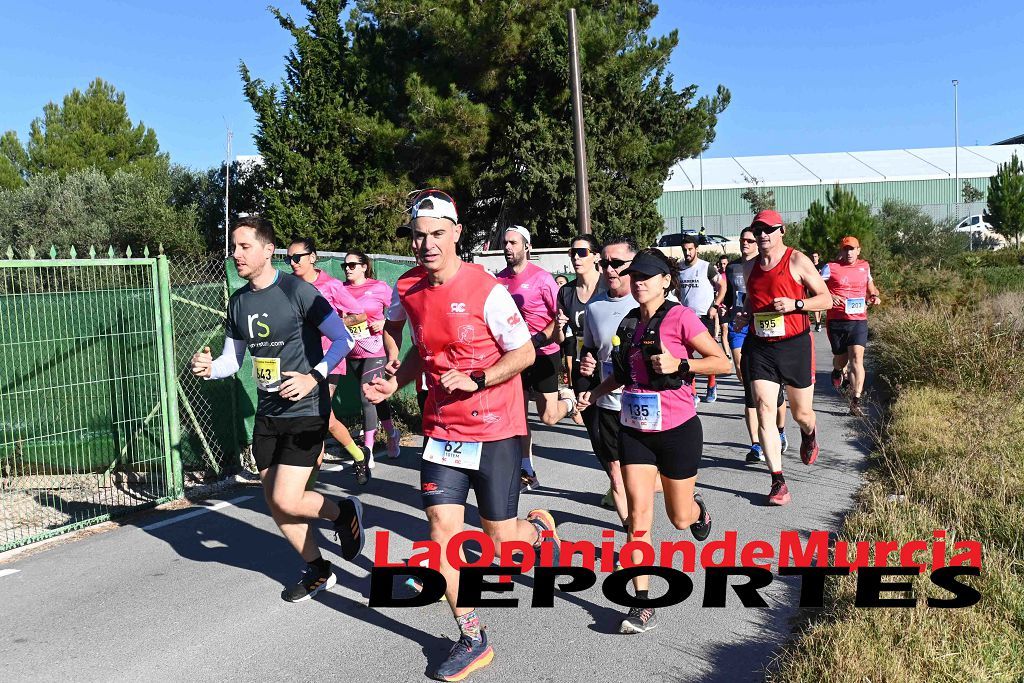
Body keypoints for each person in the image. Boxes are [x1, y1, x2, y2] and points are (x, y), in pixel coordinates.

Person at [365, 190, 560, 681]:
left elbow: (524, 354)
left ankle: (537, 531)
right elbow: (419, 352)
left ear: (455, 234)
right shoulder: (406, 288)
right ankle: (472, 636)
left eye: (436, 234)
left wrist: (477, 378)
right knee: (441, 535)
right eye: (418, 235)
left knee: (499, 541)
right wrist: (396, 380)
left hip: (495, 427)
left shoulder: (486, 288)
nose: (427, 244)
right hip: (442, 430)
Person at [191, 216, 364, 602]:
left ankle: (342, 512)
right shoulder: (238, 302)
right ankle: (319, 569)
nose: (235, 254)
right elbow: (232, 361)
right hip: (269, 413)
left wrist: (312, 377)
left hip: (306, 408)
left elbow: (342, 339)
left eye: (244, 246)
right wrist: (209, 368)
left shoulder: (298, 291)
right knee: (274, 500)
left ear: (268, 250)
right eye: (233, 248)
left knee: (287, 498)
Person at [578, 249, 731, 634]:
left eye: (648, 275)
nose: (639, 281)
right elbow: (622, 375)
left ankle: (699, 511)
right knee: (637, 519)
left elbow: (722, 362)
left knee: (679, 519)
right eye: (635, 275)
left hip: (678, 430)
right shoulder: (629, 323)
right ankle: (642, 604)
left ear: (666, 280)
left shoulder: (680, 317)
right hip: (635, 431)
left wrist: (683, 365)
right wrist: (594, 393)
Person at [733, 210, 832, 506]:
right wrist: (744, 315)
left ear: (781, 231)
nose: (763, 234)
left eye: (769, 229)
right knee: (764, 406)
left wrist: (796, 304)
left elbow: (825, 298)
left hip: (795, 345)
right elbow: (753, 300)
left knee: (801, 413)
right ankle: (778, 480)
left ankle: (809, 432)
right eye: (758, 229)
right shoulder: (749, 268)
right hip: (761, 346)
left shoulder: (797, 260)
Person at [496, 226, 579, 492]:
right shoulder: (499, 281)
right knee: (518, 416)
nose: (508, 248)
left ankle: (568, 400)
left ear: (527, 247)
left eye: (513, 243)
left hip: (544, 354)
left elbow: (559, 319)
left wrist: (540, 339)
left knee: (548, 417)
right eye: (505, 243)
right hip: (514, 357)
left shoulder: (543, 279)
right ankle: (526, 470)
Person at [285, 238, 373, 487]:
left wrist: (329, 325)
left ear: (312, 257)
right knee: (325, 419)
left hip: (329, 360)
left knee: (317, 418)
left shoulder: (332, 286)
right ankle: (359, 455)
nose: (292, 263)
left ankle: (308, 485)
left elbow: (360, 316)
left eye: (297, 257)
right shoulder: (288, 287)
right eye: (287, 259)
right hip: (300, 360)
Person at [576, 235, 638, 537]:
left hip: (647, 403)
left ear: (633, 265)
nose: (610, 269)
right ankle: (632, 533)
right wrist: (586, 363)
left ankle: (686, 498)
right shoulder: (595, 306)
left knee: (641, 474)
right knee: (615, 471)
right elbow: (588, 349)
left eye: (617, 264)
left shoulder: (648, 300)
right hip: (609, 401)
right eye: (605, 263)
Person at [724, 228, 789, 464]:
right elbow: (730, 294)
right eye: (742, 240)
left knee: (775, 395)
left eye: (750, 241)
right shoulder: (732, 267)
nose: (746, 244)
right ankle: (755, 444)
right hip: (739, 327)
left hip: (765, 329)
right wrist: (724, 308)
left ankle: (779, 430)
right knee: (748, 386)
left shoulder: (766, 266)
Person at [342, 248, 403, 462]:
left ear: (364, 267)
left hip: (376, 349)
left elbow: (397, 313)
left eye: (352, 265)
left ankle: (367, 451)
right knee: (376, 398)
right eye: (344, 266)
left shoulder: (379, 288)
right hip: (353, 350)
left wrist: (384, 322)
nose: (347, 269)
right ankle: (392, 434)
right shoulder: (341, 289)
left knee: (366, 396)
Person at [822, 236, 881, 417]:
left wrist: (874, 296)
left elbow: (871, 288)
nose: (849, 253)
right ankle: (838, 370)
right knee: (841, 359)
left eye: (852, 249)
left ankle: (855, 401)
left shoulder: (865, 266)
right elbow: (814, 285)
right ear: (841, 251)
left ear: (858, 250)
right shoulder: (830, 267)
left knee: (857, 358)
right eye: (846, 249)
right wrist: (829, 295)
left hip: (858, 320)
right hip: (837, 320)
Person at [555, 234, 604, 410]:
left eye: (582, 252)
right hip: (581, 363)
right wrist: (559, 327)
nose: (576, 257)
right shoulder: (566, 292)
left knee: (611, 429)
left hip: (608, 364)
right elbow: (560, 339)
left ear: (596, 256)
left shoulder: (608, 285)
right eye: (573, 252)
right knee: (593, 427)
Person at [677, 235, 724, 404]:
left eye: (690, 249)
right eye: (685, 250)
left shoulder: (706, 267)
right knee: (686, 356)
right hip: (686, 318)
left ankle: (711, 385)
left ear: (696, 249)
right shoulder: (679, 268)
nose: (687, 252)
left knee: (708, 354)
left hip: (705, 316)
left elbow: (722, 285)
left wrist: (716, 306)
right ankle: (693, 392)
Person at [810, 251, 826, 332]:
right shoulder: (809, 266)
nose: (814, 258)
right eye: (813, 256)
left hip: (821, 287)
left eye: (815, 256)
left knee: (820, 306)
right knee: (816, 305)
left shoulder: (822, 265)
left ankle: (818, 321)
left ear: (818, 257)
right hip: (812, 287)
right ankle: (818, 322)